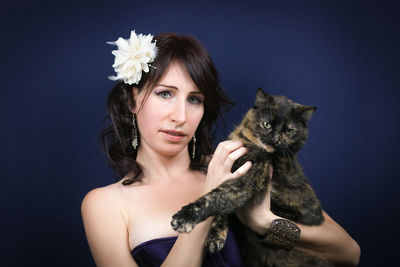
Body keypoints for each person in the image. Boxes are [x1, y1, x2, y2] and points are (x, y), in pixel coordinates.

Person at [81, 31, 360, 267]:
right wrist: (209, 201)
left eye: (194, 99)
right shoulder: (105, 205)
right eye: (165, 93)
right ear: (131, 100)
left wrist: (266, 223)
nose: (180, 116)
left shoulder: (238, 167)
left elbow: (348, 252)